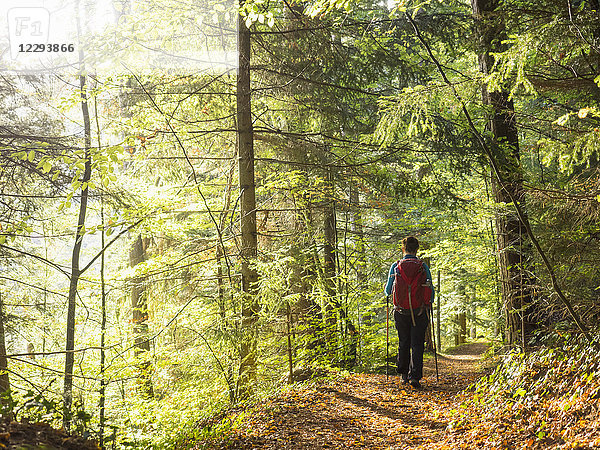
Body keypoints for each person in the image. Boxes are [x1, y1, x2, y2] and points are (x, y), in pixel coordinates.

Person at [384, 236, 434, 389]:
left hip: (401, 312)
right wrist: (428, 304)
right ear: (417, 249)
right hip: (419, 312)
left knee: (403, 342)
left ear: (403, 248)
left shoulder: (396, 266)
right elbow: (430, 290)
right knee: (417, 343)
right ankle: (415, 377)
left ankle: (403, 374)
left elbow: (387, 291)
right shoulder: (422, 266)